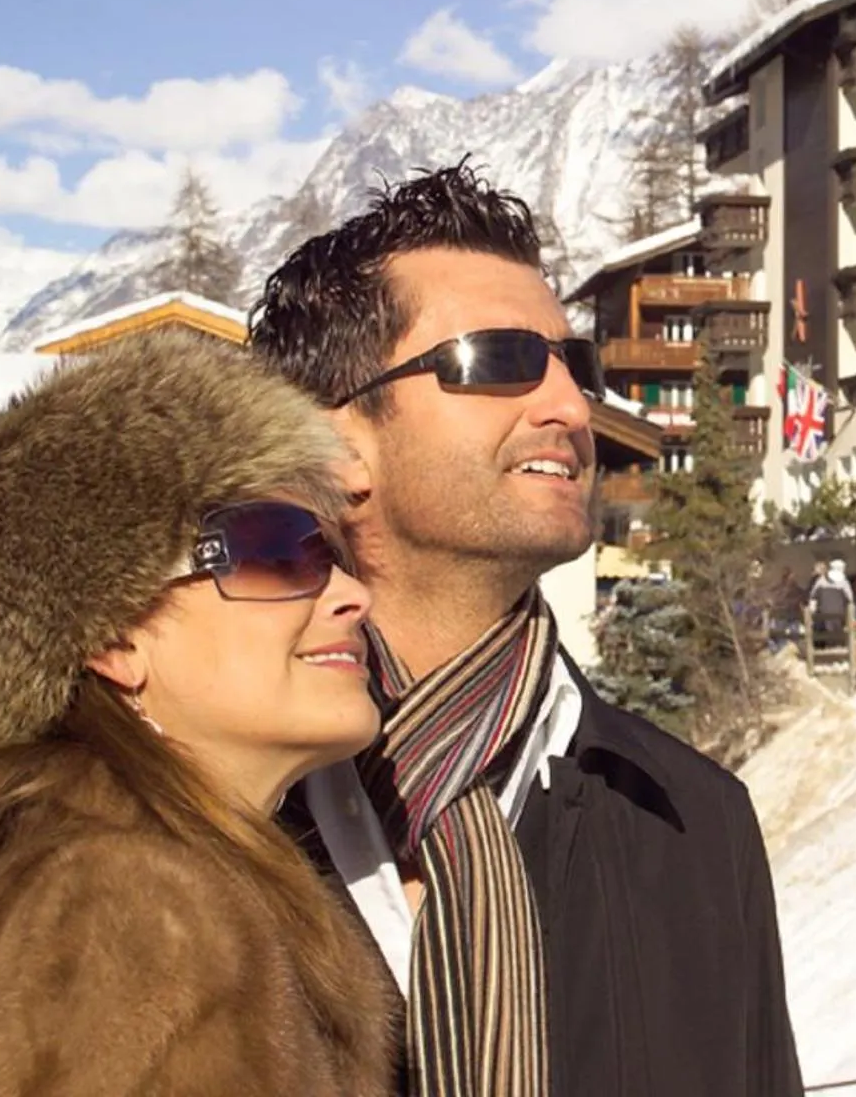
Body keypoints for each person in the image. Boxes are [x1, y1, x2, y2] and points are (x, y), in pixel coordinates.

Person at [252, 162, 804, 1097]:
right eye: (500, 360)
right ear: (336, 444)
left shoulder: (693, 823)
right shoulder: (212, 814)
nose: (570, 407)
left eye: (573, 366)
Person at [0, 333, 395, 1097]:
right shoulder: (130, 911)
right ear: (114, 637)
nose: (352, 595)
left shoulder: (114, 880)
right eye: (277, 550)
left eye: (335, 555)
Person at [807, 558, 853, 654]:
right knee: (837, 634)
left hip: (822, 614)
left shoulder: (820, 581)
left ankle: (821, 651)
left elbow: (813, 596)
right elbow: (850, 598)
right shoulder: (844, 582)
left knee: (821, 632)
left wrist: (812, 612)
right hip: (839, 614)